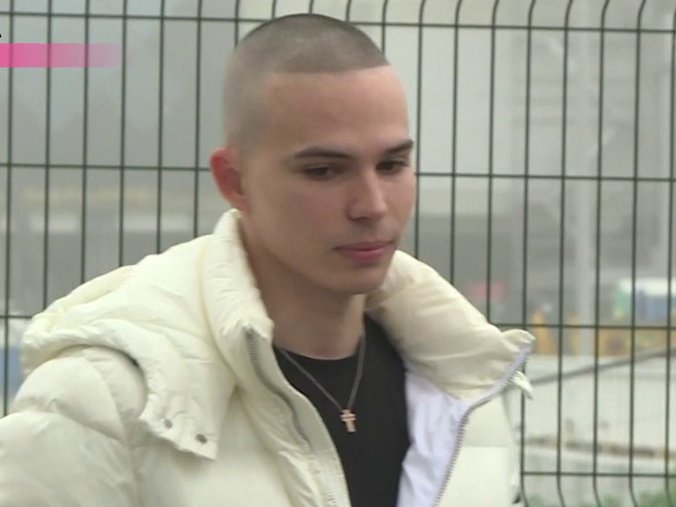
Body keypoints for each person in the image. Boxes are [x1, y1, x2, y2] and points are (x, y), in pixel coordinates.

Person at [0, 13, 533, 507]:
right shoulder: (102, 402)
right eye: (324, 171)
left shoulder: (464, 389)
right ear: (235, 180)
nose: (372, 205)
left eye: (392, 165)